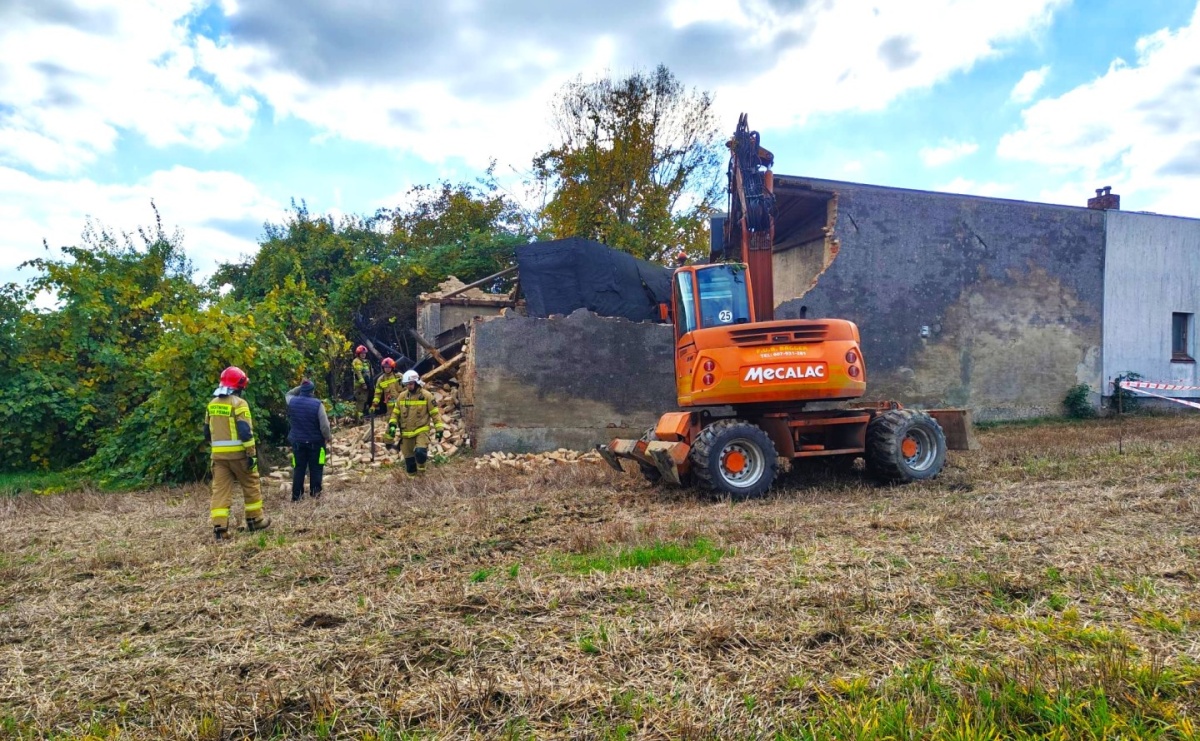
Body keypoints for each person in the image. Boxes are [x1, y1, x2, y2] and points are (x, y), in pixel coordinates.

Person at [205, 366, 269, 541]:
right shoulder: (239, 404)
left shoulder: (212, 404)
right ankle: (255, 520)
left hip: (218, 458)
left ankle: (220, 528)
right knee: (251, 485)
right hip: (239, 455)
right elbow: (245, 432)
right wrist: (251, 454)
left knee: (220, 491)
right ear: (239, 386)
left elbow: (206, 432)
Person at [388, 369, 444, 475]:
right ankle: (412, 480)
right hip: (406, 432)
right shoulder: (402, 396)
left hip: (421, 430)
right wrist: (392, 425)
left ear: (417, 382)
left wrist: (439, 429)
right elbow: (395, 412)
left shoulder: (427, 396)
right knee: (410, 462)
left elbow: (435, 414)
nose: (409, 386)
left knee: (420, 452)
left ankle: (422, 474)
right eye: (407, 384)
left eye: (411, 384)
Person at [286, 378, 332, 502]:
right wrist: (328, 437)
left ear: (301, 390)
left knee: (299, 468)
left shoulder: (292, 401)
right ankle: (315, 494)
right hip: (316, 443)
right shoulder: (318, 404)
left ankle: (297, 497)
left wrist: (301, 386)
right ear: (313, 391)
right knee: (316, 468)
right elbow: (324, 426)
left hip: (297, 443)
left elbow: (288, 393)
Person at [351, 346, 372, 422]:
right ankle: (358, 419)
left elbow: (368, 373)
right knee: (361, 401)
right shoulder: (357, 361)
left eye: (364, 353)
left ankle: (360, 417)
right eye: (362, 353)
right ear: (358, 354)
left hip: (366, 385)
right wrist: (363, 383)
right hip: (360, 386)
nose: (363, 354)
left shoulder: (365, 362)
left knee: (364, 401)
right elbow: (358, 374)